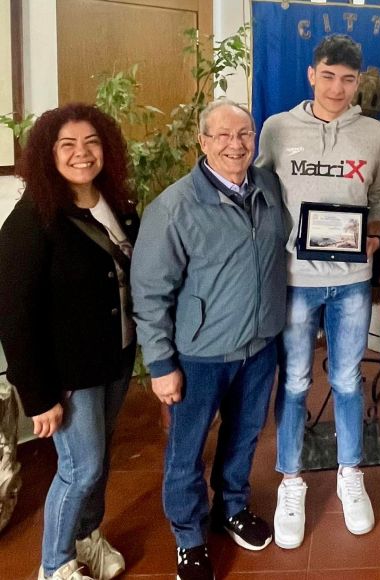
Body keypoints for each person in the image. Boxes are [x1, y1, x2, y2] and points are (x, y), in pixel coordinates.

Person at [131, 99, 287, 580]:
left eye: (244, 134)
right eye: (222, 135)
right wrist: (161, 365)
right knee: (187, 449)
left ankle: (231, 507)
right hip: (199, 354)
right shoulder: (173, 207)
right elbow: (150, 293)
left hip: (260, 346)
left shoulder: (268, 186)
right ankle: (189, 537)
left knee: (244, 435)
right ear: (202, 142)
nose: (235, 145)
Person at [255, 34, 380, 549]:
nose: (337, 88)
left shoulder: (374, 133)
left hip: (351, 280)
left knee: (348, 379)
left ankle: (350, 474)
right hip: (295, 280)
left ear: (359, 82)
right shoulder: (277, 128)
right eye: (328, 76)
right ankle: (291, 482)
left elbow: (378, 195)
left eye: (348, 80)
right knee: (294, 382)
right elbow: (259, 195)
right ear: (312, 75)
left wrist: (374, 229)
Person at [0, 104, 138, 580]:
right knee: (81, 468)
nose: (82, 153)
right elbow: (14, 318)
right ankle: (55, 565)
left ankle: (86, 537)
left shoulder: (117, 204)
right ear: (48, 154)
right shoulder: (32, 220)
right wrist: (38, 397)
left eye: (92, 142)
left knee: (98, 460)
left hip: (116, 358)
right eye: (68, 145)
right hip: (70, 373)